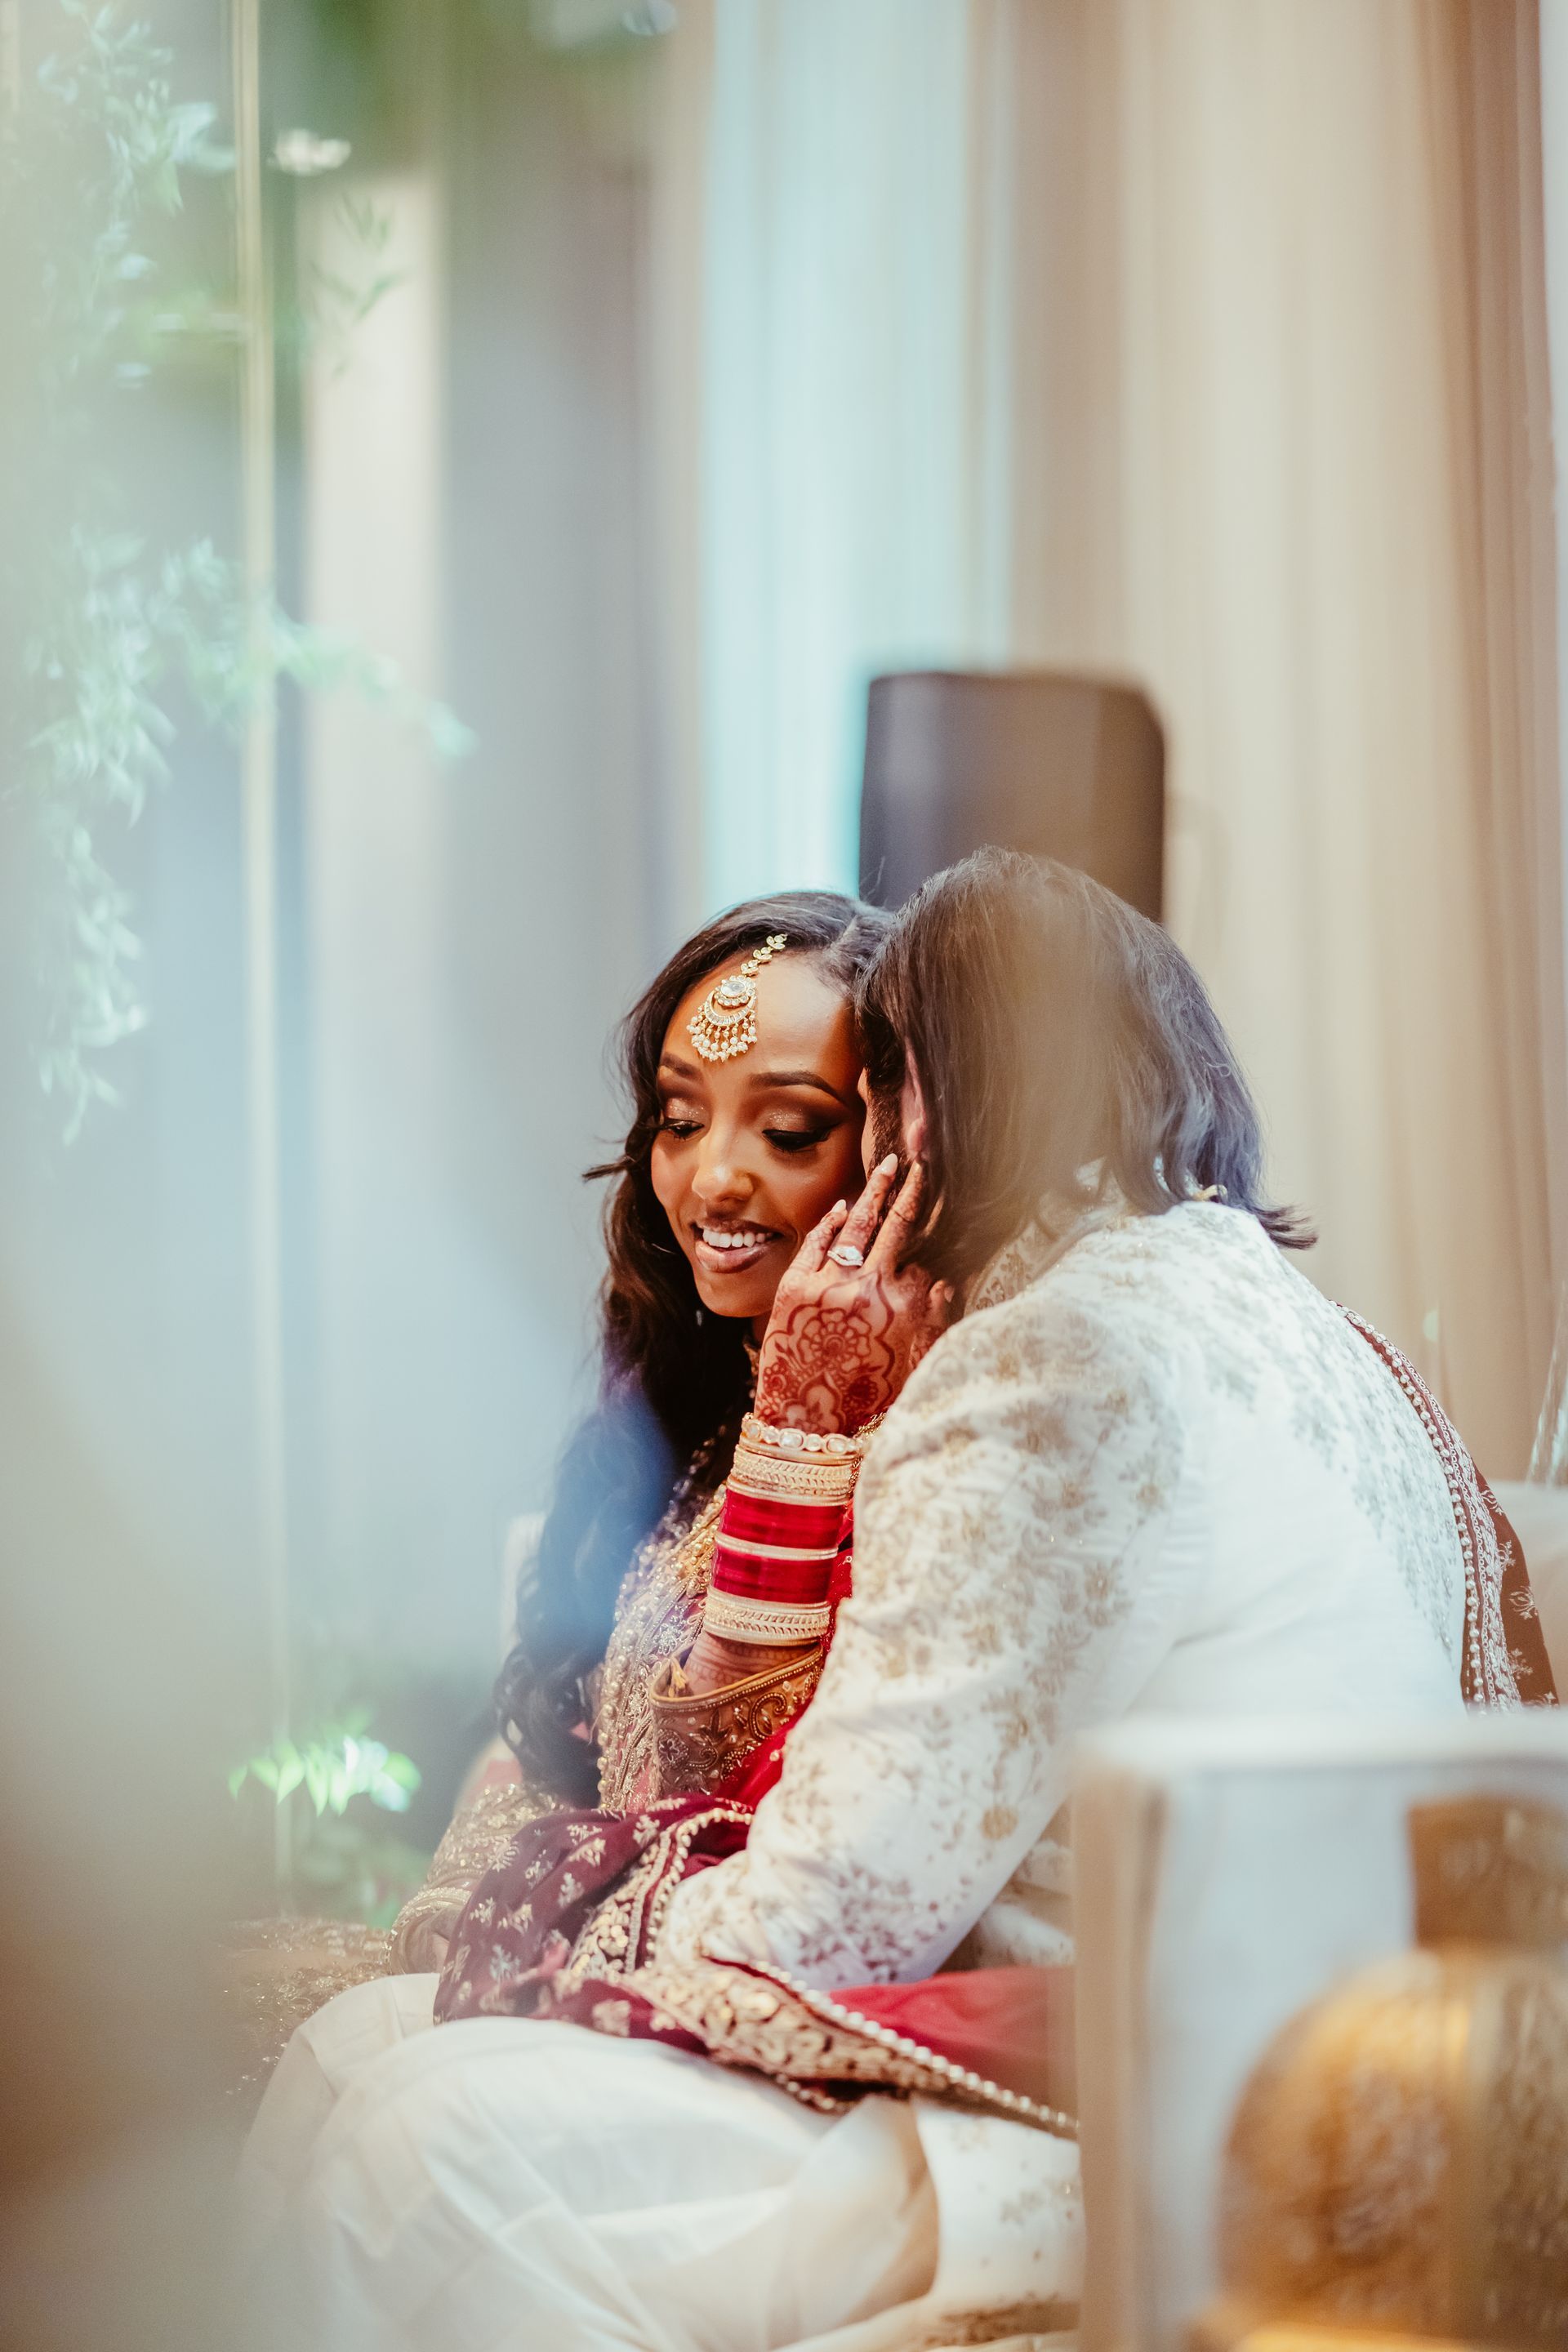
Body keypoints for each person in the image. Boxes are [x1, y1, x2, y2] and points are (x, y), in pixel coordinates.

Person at [241, 851, 1552, 2352]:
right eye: (678, 1121)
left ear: (928, 1106)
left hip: (1143, 2111)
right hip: (1354, 2065)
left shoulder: (1040, 1362)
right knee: (359, 2065)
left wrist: (549, 1924)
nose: (724, 1180)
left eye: (833, 1117)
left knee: (413, 2154)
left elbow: (827, 1918)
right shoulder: (1330, 1338)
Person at [227, 889, 892, 2089]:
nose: (713, 1180)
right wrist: (446, 1915)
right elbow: (554, 1743)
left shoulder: (902, 1453)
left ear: (895, 1151)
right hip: (523, 1950)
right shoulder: (686, 1427)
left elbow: (752, 1819)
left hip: (683, 2003)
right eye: (680, 1119)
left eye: (789, 1131)